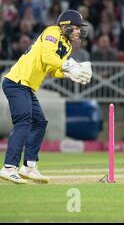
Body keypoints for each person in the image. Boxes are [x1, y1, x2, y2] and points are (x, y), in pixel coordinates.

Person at [0, 10, 92, 184]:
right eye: (77, 27)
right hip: (16, 82)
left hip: (26, 86)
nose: (79, 31)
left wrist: (69, 74)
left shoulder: (67, 45)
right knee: (24, 122)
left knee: (39, 123)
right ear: (65, 26)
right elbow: (47, 56)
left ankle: (29, 166)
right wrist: (69, 65)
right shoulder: (52, 32)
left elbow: (51, 70)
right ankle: (9, 167)